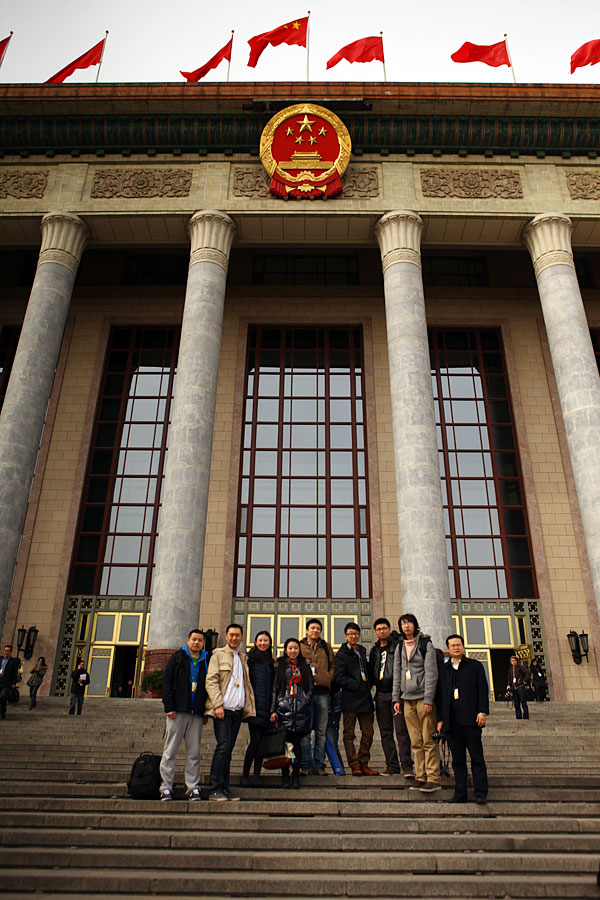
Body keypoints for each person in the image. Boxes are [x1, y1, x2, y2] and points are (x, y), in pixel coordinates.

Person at [437, 634, 489, 805]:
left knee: (477, 757)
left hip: (471, 719)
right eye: (452, 646)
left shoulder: (474, 666)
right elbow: (441, 696)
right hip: (452, 722)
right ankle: (460, 794)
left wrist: (482, 711)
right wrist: (441, 719)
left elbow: (482, 689)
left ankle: (480, 792)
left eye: (458, 645)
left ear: (463, 646)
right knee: (458, 760)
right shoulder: (444, 670)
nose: (456, 648)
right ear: (448, 649)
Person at [205, 623, 255, 802]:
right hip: (223, 710)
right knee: (223, 747)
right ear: (226, 636)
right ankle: (215, 788)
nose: (234, 638)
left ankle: (224, 788)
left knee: (228, 750)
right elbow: (211, 681)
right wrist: (217, 705)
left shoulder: (242, 658)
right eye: (231, 635)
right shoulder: (218, 655)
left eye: (237, 635)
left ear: (242, 637)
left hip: (236, 711)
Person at [392, 613, 441, 793]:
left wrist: (429, 698)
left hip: (422, 698)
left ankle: (433, 777)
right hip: (406, 700)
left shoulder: (425, 644)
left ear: (415, 625)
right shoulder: (399, 646)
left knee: (428, 739)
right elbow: (397, 674)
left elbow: (431, 673)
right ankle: (420, 776)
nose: (406, 626)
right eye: (403, 623)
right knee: (415, 740)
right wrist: (396, 698)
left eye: (409, 623)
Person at [159, 628, 208, 802]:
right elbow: (167, 682)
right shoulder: (177, 658)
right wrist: (169, 706)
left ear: (203, 643)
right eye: (194, 639)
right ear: (188, 640)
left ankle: (192, 787)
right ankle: (165, 787)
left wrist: (205, 711)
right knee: (170, 750)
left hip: (195, 712)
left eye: (200, 640)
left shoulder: (206, 660)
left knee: (193, 753)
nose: (196, 643)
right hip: (177, 711)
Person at [369, 618, 414, 778]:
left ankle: (407, 766)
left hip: (397, 695)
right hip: (381, 695)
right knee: (385, 733)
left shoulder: (398, 646)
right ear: (375, 632)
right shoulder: (374, 651)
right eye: (378, 629)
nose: (381, 631)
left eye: (384, 628)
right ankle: (392, 765)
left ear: (389, 629)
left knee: (401, 731)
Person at [334, 622, 378, 776]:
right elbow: (339, 677)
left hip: (365, 698)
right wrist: (356, 684)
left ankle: (363, 762)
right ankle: (354, 764)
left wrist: (368, 685)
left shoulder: (361, 651)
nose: (353, 636)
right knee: (349, 734)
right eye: (350, 634)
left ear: (359, 635)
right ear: (346, 636)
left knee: (368, 732)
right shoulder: (340, 655)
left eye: (356, 633)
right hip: (350, 698)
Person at [270, 637, 314, 789]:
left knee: (298, 746)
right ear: (286, 649)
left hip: (300, 710)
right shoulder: (280, 666)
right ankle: (285, 776)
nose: (293, 651)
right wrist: (274, 708)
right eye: (290, 648)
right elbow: (275, 688)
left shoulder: (304, 665)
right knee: (285, 746)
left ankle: (295, 775)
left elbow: (310, 685)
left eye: (295, 648)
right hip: (284, 710)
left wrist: (306, 699)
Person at [299, 618, 334, 775]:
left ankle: (319, 764)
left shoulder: (326, 647)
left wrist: (328, 677)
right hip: (305, 694)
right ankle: (305, 764)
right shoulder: (299, 646)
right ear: (307, 630)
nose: (315, 630)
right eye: (312, 628)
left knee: (321, 731)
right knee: (305, 730)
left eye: (318, 628)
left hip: (322, 693)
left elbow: (333, 665)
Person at [242, 630, 274, 786]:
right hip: (254, 708)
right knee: (254, 742)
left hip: (267, 708)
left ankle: (256, 775)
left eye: (266, 640)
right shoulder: (250, 660)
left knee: (260, 744)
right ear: (255, 642)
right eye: (260, 640)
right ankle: (245, 774)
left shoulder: (270, 661)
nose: (263, 643)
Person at [507, 655, 531, 720]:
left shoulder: (520, 667)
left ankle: (526, 715)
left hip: (520, 686)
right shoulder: (510, 670)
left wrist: (524, 681)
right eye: (512, 661)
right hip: (514, 688)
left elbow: (528, 673)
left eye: (514, 660)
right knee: (516, 703)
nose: (513, 662)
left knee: (523, 701)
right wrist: (508, 685)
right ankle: (518, 716)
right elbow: (509, 678)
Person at [0, 644, 19, 720]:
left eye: (8, 651)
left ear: (10, 652)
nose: (6, 652)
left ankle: (3, 711)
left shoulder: (13, 661)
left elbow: (15, 672)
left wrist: (13, 683)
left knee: (2, 696)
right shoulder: (0, 659)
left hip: (6, 683)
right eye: (5, 650)